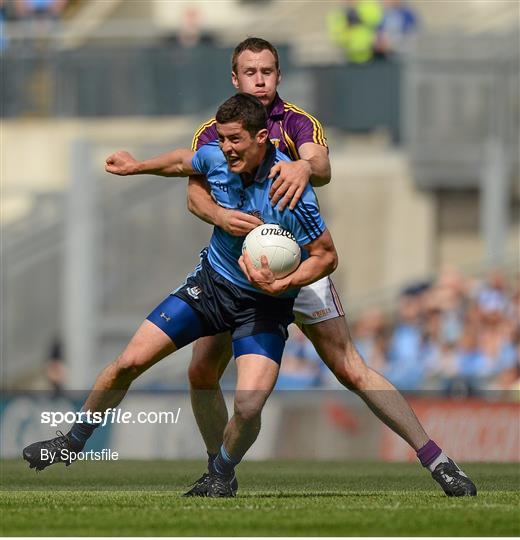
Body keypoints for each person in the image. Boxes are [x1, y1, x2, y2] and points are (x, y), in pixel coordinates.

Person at [110, 37, 476, 497]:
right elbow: (194, 192)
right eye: (250, 72)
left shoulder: (297, 122)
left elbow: (319, 162)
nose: (259, 79)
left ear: (278, 77)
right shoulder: (216, 129)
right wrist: (221, 216)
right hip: (241, 273)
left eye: (267, 71)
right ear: (235, 77)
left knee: (350, 368)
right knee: (201, 371)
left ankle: (437, 460)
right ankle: (218, 472)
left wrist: (305, 169)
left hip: (300, 266)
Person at [22, 93, 338, 498]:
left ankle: (221, 474)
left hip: (265, 304)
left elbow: (326, 256)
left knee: (249, 406)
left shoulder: (291, 189)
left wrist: (283, 285)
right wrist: (137, 166)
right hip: (210, 286)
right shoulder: (217, 158)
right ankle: (71, 442)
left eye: (235, 140)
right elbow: (180, 162)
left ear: (262, 137)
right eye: (222, 139)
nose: (225, 148)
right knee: (128, 363)